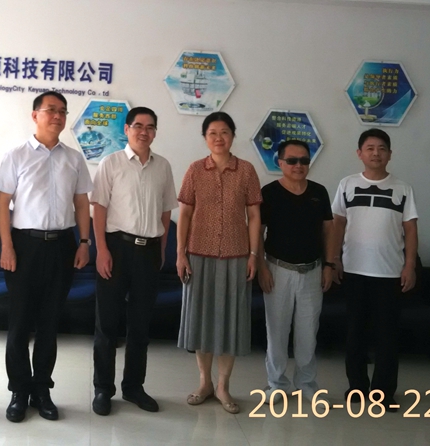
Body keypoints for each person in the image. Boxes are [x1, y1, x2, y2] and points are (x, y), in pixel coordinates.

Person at [0, 91, 92, 423]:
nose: (58, 116)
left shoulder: (74, 159)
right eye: (51, 110)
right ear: (35, 115)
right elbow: (2, 203)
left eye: (63, 111)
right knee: (20, 323)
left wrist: (84, 242)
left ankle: (42, 390)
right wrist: (6, 246)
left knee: (50, 323)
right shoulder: (16, 155)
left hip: (62, 246)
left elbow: (82, 203)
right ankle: (19, 391)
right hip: (24, 246)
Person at [90, 107, 178, 416]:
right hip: (116, 248)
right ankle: (103, 388)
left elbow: (166, 211)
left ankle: (133, 387)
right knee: (107, 323)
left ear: (155, 132)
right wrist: (101, 250)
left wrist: (162, 249)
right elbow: (99, 209)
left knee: (141, 325)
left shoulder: (163, 166)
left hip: (149, 251)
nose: (144, 131)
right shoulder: (111, 163)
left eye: (150, 127)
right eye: (138, 125)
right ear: (126, 129)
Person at [176, 111, 261, 414]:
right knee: (200, 320)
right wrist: (180, 253)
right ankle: (205, 383)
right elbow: (185, 213)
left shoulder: (246, 170)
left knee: (230, 322)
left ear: (233, 135)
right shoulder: (195, 170)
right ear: (205, 138)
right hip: (199, 254)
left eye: (225, 132)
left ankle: (223, 386)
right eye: (212, 132)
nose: (219, 138)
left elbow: (254, 216)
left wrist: (254, 255)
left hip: (236, 256)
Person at [332, 128, 418, 412]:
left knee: (387, 336)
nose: (376, 153)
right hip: (354, 271)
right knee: (354, 333)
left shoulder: (403, 188)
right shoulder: (347, 184)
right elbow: (337, 224)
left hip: (389, 273)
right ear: (359, 153)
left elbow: (410, 229)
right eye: (370, 148)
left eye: (382, 148)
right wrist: (333, 259)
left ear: (390, 154)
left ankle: (383, 392)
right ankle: (357, 387)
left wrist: (409, 265)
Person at [257, 140, 336, 404]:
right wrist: (261, 267)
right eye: (292, 161)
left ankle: (306, 385)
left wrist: (329, 265)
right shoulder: (269, 193)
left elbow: (328, 230)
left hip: (312, 271)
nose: (298, 165)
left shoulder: (319, 192)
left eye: (304, 160)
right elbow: (257, 231)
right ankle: (277, 384)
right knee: (276, 332)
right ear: (280, 163)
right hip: (277, 270)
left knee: (308, 332)